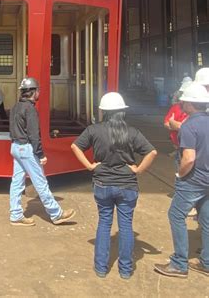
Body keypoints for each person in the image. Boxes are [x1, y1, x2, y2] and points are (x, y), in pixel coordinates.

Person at [71, 92, 157, 279]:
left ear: (104, 111)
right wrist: (138, 169)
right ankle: (125, 270)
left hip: (102, 183)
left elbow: (75, 146)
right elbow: (152, 152)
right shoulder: (132, 131)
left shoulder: (94, 130)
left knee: (104, 223)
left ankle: (101, 267)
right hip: (127, 185)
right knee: (126, 226)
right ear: (122, 112)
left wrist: (89, 166)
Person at [154, 82, 209, 278]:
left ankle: (179, 263)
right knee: (206, 219)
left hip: (193, 180)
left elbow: (189, 158)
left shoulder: (188, 126)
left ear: (190, 104)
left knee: (176, 215)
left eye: (184, 100)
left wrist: (180, 174)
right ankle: (207, 262)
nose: (182, 103)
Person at [9, 77, 75, 227]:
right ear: (33, 92)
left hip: (15, 147)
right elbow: (34, 135)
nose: (39, 93)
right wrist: (41, 154)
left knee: (17, 182)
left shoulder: (15, 107)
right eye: (38, 90)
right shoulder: (30, 109)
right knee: (40, 182)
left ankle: (16, 215)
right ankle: (56, 214)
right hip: (26, 149)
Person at [164, 77, 191, 150]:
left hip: (191, 147)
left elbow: (189, 128)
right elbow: (166, 122)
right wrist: (171, 126)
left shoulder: (200, 111)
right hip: (178, 144)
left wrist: (173, 123)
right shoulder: (176, 107)